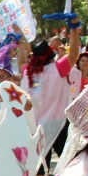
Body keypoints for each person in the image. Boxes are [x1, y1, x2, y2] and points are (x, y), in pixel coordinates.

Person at [21, 19, 81, 162]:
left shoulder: (26, 71)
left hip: (35, 124)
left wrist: (21, 41)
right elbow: (74, 53)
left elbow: (21, 61)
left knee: (39, 163)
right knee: (69, 162)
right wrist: (73, 29)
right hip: (58, 122)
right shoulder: (59, 69)